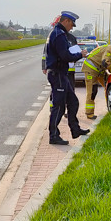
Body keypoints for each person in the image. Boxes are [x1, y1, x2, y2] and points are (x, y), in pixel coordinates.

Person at [45, 11, 88, 145]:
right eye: (72, 25)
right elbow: (65, 56)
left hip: (61, 74)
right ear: (66, 21)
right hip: (57, 74)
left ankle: (75, 129)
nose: (72, 28)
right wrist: (80, 54)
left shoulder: (60, 33)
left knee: (73, 102)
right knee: (59, 107)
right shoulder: (58, 35)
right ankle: (53, 136)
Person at [81, 42, 111, 119]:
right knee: (92, 91)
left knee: (108, 86)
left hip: (99, 70)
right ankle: (89, 113)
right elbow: (106, 63)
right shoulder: (110, 49)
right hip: (90, 69)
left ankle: (110, 107)